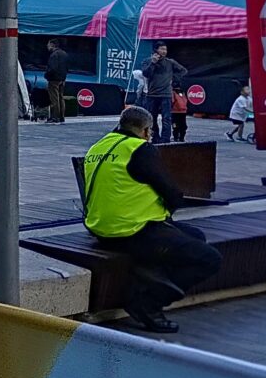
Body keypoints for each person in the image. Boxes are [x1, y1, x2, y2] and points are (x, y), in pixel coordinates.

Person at [82, 105, 221, 333]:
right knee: (208, 259)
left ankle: (149, 274)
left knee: (196, 236)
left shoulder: (99, 146)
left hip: (100, 228)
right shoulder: (139, 149)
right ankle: (147, 303)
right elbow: (171, 193)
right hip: (133, 231)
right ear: (146, 130)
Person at [142, 43, 187, 144]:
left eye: (165, 49)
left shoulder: (170, 62)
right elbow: (146, 73)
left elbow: (183, 71)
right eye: (162, 49)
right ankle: (155, 137)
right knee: (152, 118)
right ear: (156, 50)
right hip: (152, 94)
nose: (164, 51)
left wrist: (173, 79)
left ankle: (165, 138)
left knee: (166, 118)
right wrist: (153, 63)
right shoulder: (147, 61)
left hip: (166, 94)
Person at [45, 38, 70, 124]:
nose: (47, 46)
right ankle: (62, 116)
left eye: (48, 45)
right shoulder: (64, 54)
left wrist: (47, 75)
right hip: (62, 79)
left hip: (53, 79)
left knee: (54, 99)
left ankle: (55, 117)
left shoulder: (53, 55)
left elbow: (52, 68)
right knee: (61, 97)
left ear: (52, 45)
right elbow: (67, 67)